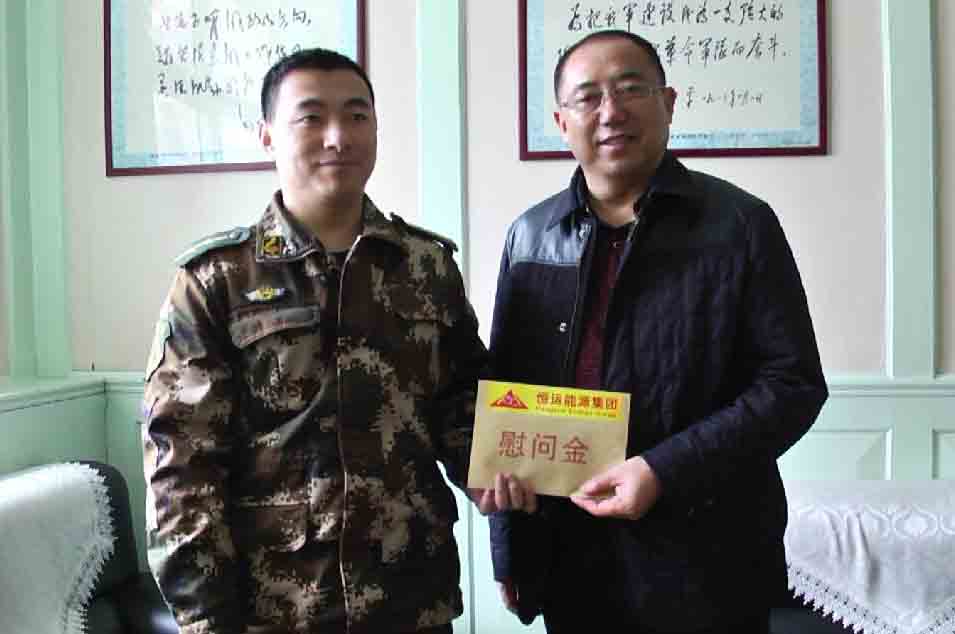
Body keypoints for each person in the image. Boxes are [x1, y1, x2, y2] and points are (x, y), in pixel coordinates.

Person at [142, 47, 535, 634]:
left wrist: (500, 469)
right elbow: (181, 467)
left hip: (410, 598)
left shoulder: (424, 266)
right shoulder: (218, 279)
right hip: (273, 609)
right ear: (268, 135)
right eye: (311, 117)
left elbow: (461, 405)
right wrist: (206, 618)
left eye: (356, 116)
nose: (338, 136)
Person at [488, 30, 827, 633]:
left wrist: (662, 471)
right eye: (588, 97)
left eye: (630, 89)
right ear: (562, 122)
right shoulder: (531, 236)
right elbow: (510, 401)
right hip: (573, 559)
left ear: (668, 104)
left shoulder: (740, 225)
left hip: (709, 557)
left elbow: (792, 383)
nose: (611, 112)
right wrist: (511, 550)